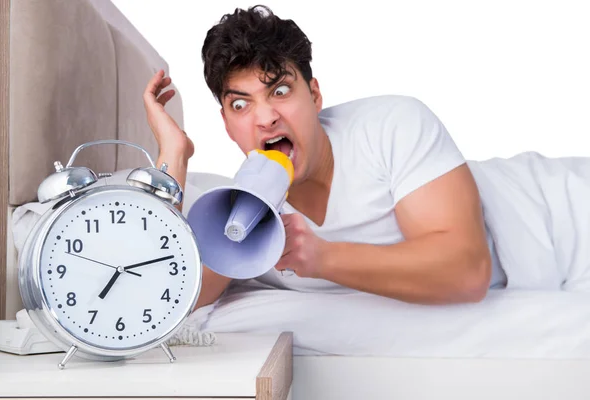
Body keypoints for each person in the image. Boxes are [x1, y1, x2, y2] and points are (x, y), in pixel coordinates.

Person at [143, 5, 510, 310]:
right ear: (226, 122)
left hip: (540, 217)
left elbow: (468, 272)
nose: (266, 117)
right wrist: (174, 155)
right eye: (241, 104)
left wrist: (321, 258)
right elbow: (170, 300)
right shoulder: (242, 207)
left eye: (280, 90)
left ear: (314, 95)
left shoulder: (393, 126)